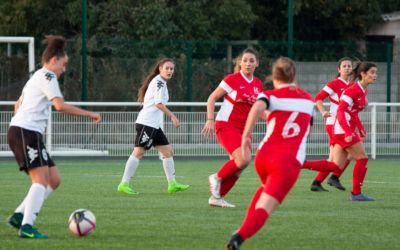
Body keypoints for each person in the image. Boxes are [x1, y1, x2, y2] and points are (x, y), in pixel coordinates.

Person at [7, 35, 101, 239]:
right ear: (53, 60)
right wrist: (90, 113)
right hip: (26, 132)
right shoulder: (47, 76)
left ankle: (19, 215)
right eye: (63, 64)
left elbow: (17, 105)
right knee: (40, 180)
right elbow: (59, 106)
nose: (64, 70)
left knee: (54, 179)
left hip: (25, 131)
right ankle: (27, 226)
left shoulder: (37, 77)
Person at [226, 57, 314, 249]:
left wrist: (246, 135)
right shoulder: (308, 99)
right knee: (266, 207)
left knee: (264, 189)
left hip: (264, 156)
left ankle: (241, 228)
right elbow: (308, 128)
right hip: (287, 162)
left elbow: (258, 106)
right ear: (294, 75)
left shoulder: (271, 95)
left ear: (274, 77)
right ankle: (237, 239)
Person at [117, 58, 190, 195]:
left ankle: (172, 184)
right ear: (160, 69)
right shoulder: (159, 83)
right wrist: (172, 116)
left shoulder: (160, 82)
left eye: (172, 69)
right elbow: (158, 103)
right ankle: (124, 183)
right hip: (147, 123)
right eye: (167, 68)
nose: (169, 71)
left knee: (168, 152)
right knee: (139, 152)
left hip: (154, 125)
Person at [202, 48, 263, 208]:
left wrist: (275, 119)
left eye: (251, 60)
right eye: (245, 60)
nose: (248, 63)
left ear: (257, 63)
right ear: (240, 63)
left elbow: (258, 110)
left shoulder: (258, 84)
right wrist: (210, 119)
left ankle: (217, 197)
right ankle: (216, 177)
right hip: (227, 125)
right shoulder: (232, 79)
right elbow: (212, 98)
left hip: (245, 130)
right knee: (243, 159)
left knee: (240, 166)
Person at [331, 61, 377, 201]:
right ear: (363, 74)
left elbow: (353, 112)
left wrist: (360, 129)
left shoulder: (363, 90)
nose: (375, 76)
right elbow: (340, 111)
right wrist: (347, 132)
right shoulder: (353, 89)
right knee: (362, 158)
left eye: (376, 73)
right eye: (372, 73)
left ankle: (301, 164)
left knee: (334, 165)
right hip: (342, 129)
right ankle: (356, 193)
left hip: (345, 128)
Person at [307, 57, 354, 192]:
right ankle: (333, 177)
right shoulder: (334, 83)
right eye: (344, 66)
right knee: (347, 154)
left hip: (344, 124)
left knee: (336, 158)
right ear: (338, 69)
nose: (347, 68)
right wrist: (323, 111)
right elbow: (318, 98)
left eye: (349, 66)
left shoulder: (352, 85)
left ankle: (318, 182)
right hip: (334, 123)